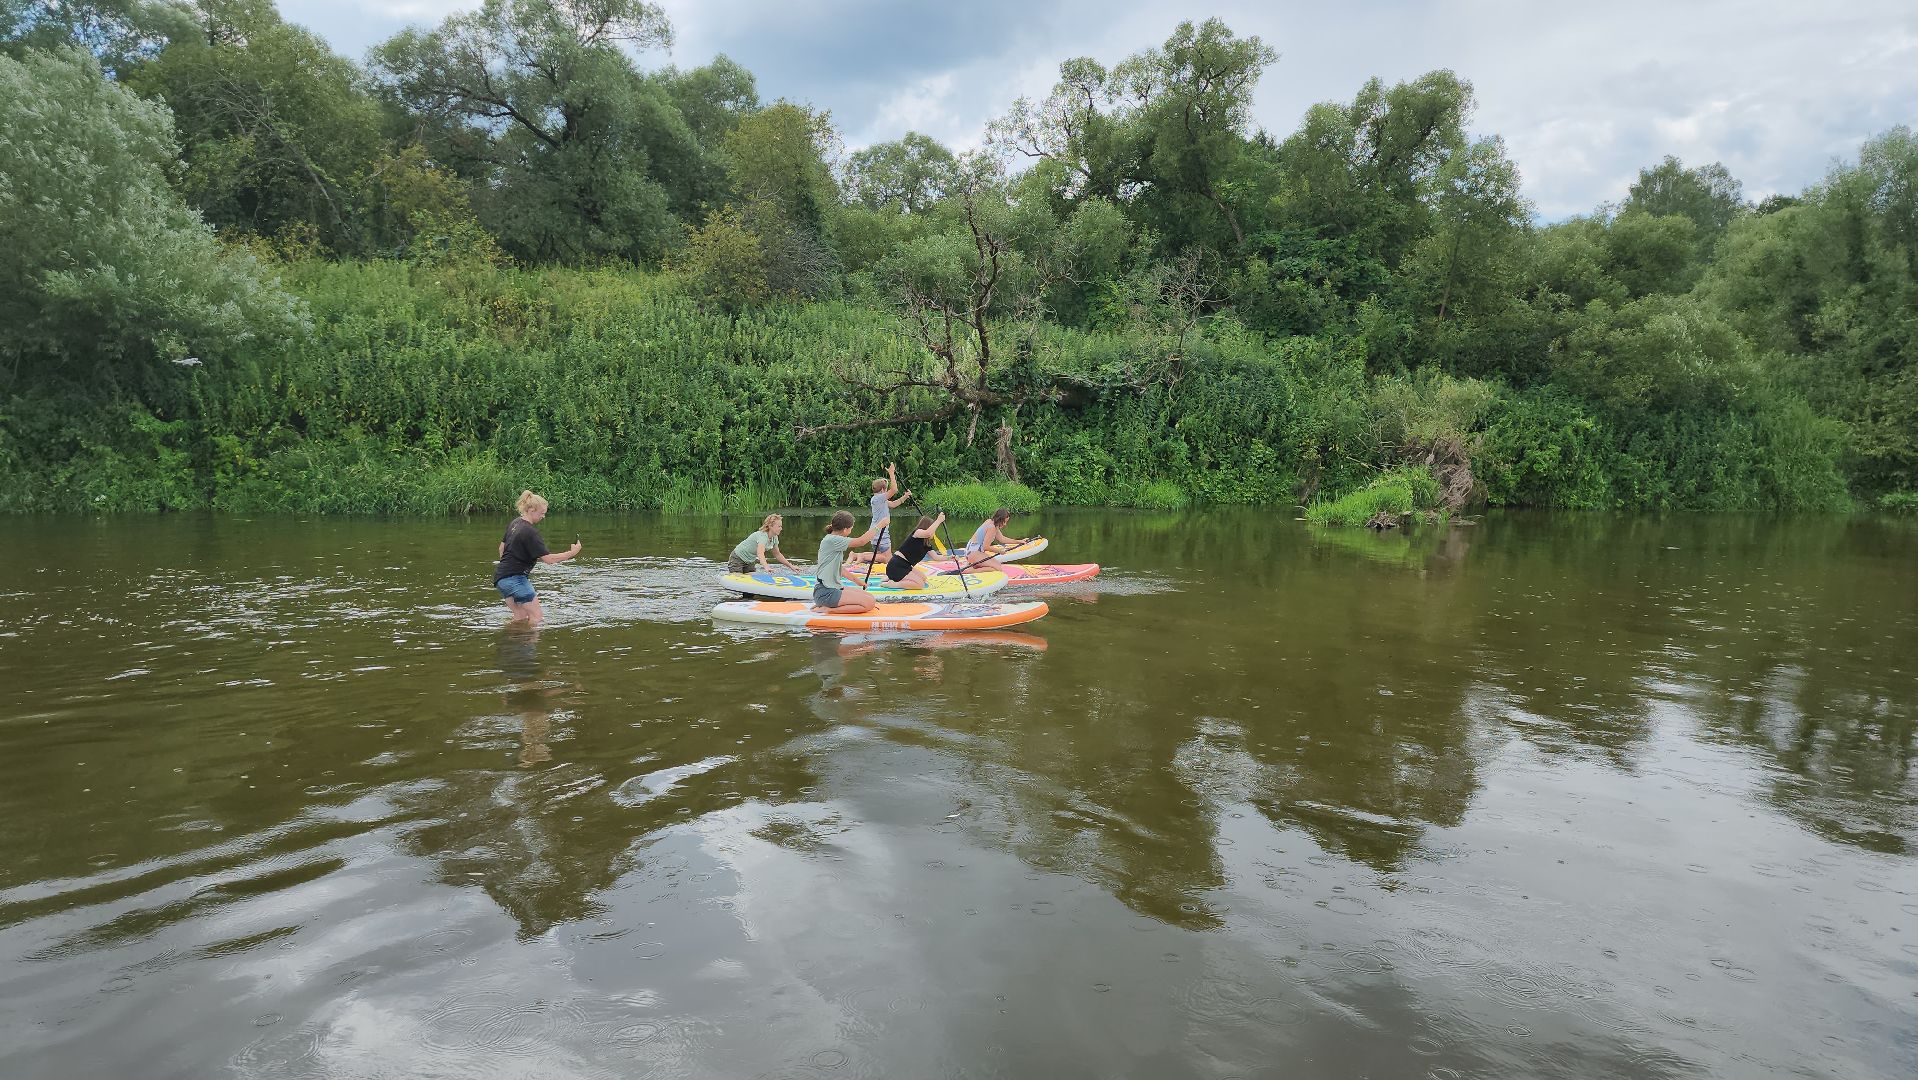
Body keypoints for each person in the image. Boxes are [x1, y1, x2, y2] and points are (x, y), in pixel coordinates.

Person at [494, 490, 581, 625]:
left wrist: (508, 567)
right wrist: (572, 553)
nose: (543, 516)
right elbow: (549, 559)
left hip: (501, 579)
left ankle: (511, 643)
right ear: (532, 510)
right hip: (517, 579)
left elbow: (501, 548)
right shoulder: (530, 532)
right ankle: (530, 645)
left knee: (520, 616)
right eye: (542, 513)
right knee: (537, 617)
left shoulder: (515, 523)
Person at [813, 510, 884, 614]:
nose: (851, 531)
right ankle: (829, 609)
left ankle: (827, 605)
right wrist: (880, 525)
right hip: (826, 592)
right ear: (846, 530)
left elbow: (839, 569)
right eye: (851, 528)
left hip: (828, 590)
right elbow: (861, 541)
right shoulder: (833, 540)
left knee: (869, 597)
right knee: (870, 603)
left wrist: (857, 581)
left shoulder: (832, 540)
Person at [882, 511, 947, 590]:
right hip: (896, 565)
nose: (934, 531)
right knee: (919, 585)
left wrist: (951, 558)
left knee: (923, 578)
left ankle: (893, 578)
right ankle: (893, 584)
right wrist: (939, 520)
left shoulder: (926, 544)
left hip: (906, 566)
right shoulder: (917, 533)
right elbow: (929, 533)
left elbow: (936, 557)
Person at [864, 462, 912, 565]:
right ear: (882, 490)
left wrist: (905, 496)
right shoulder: (879, 498)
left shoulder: (879, 500)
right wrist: (891, 473)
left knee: (881, 559)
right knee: (887, 559)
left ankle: (862, 558)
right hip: (880, 534)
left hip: (876, 534)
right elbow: (894, 489)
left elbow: (893, 504)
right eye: (886, 490)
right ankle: (858, 556)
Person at [954, 507, 1026, 571]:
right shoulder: (992, 528)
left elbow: (1002, 539)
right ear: (1000, 519)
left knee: (997, 565)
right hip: (974, 553)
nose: (1005, 524)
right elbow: (986, 547)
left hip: (970, 551)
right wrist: (999, 551)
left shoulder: (990, 521)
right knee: (998, 568)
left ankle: (974, 565)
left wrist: (1018, 541)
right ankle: (968, 571)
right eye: (1005, 521)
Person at [728, 513, 800, 575]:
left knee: (751, 579)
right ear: (770, 526)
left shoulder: (774, 538)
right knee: (738, 579)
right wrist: (766, 567)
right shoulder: (762, 536)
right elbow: (760, 553)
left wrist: (791, 566)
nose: (781, 529)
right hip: (737, 558)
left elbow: (777, 554)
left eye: (781, 526)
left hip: (750, 561)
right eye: (779, 526)